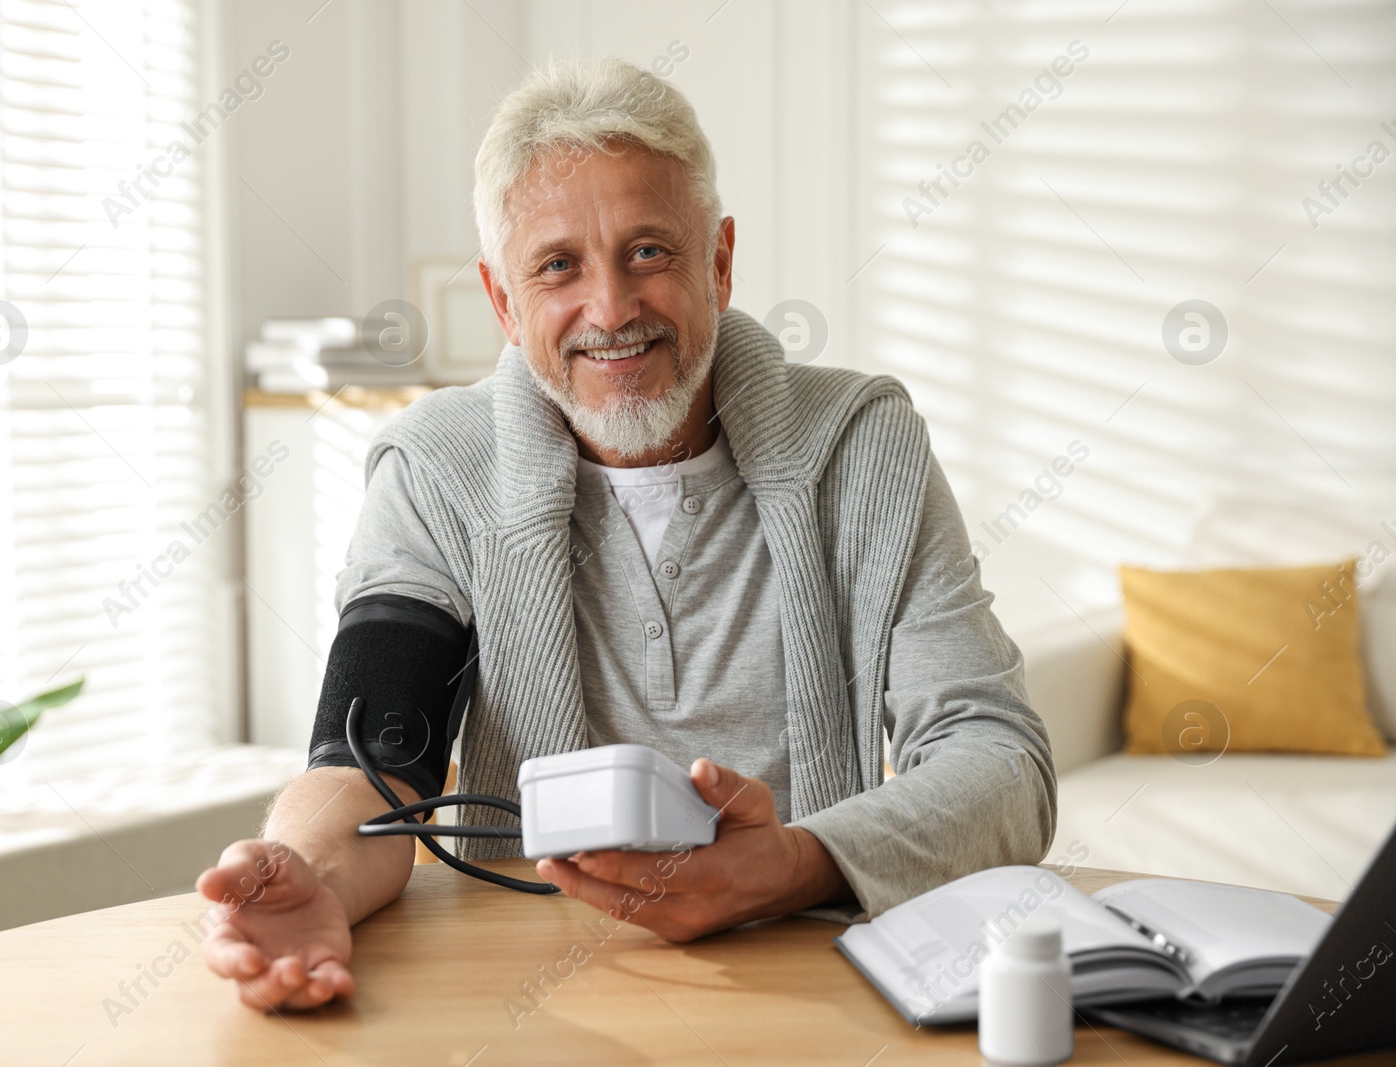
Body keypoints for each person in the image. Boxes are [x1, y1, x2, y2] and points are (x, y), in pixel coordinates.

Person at [199, 56, 1056, 1012]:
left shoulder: (863, 443)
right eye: (558, 265)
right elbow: (373, 761)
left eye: (649, 251)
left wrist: (795, 863)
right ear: (501, 300)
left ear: (720, 262)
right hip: (525, 996)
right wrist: (304, 865)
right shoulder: (436, 466)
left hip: (817, 988)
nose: (610, 309)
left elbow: (1002, 764)